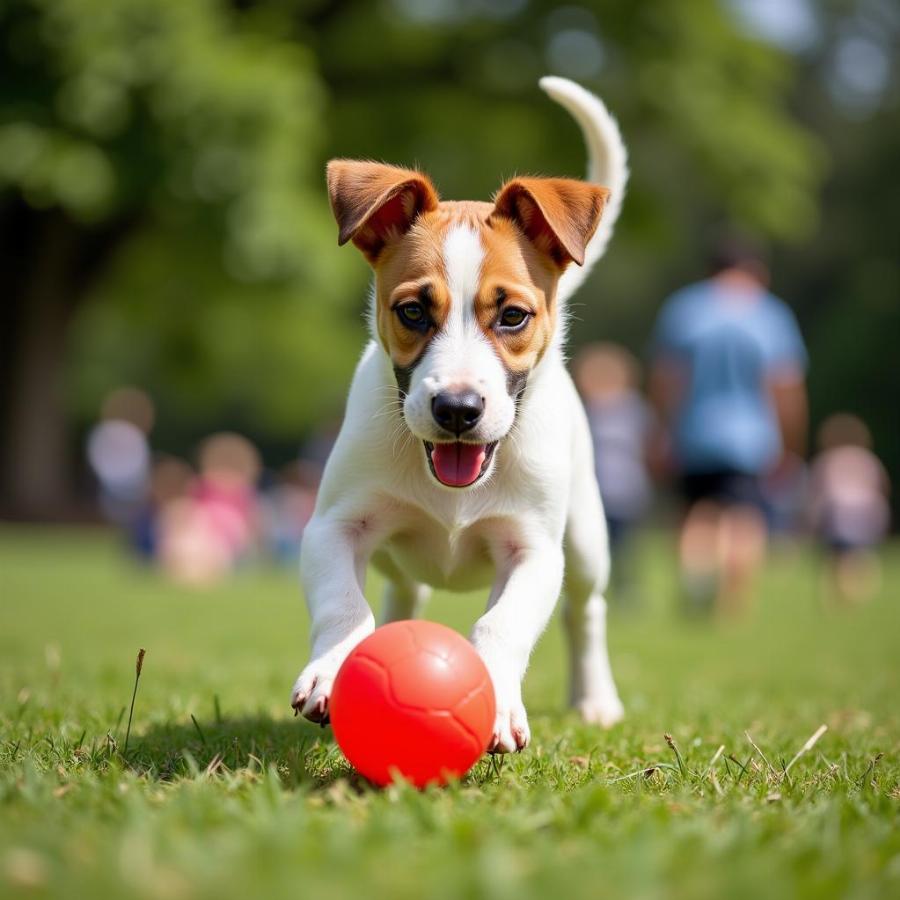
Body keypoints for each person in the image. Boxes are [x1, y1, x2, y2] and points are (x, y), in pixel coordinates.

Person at [649, 237, 808, 615]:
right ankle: (732, 604)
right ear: (757, 270)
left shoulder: (685, 308)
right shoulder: (770, 314)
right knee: (743, 517)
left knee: (697, 512)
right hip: (751, 436)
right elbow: (785, 386)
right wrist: (791, 445)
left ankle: (696, 578)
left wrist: (660, 430)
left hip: (694, 431)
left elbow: (666, 379)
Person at [573, 343, 653, 604]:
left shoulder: (635, 410)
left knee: (625, 546)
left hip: (628, 492)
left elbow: (648, 444)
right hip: (593, 491)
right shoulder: (583, 410)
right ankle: (590, 585)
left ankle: (625, 588)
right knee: (590, 543)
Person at [809, 413, 890, 604]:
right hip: (867, 511)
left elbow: (820, 489)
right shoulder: (868, 459)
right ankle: (859, 590)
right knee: (859, 553)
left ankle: (836, 595)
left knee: (836, 555)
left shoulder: (828, 459)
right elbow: (881, 487)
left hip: (838, 512)